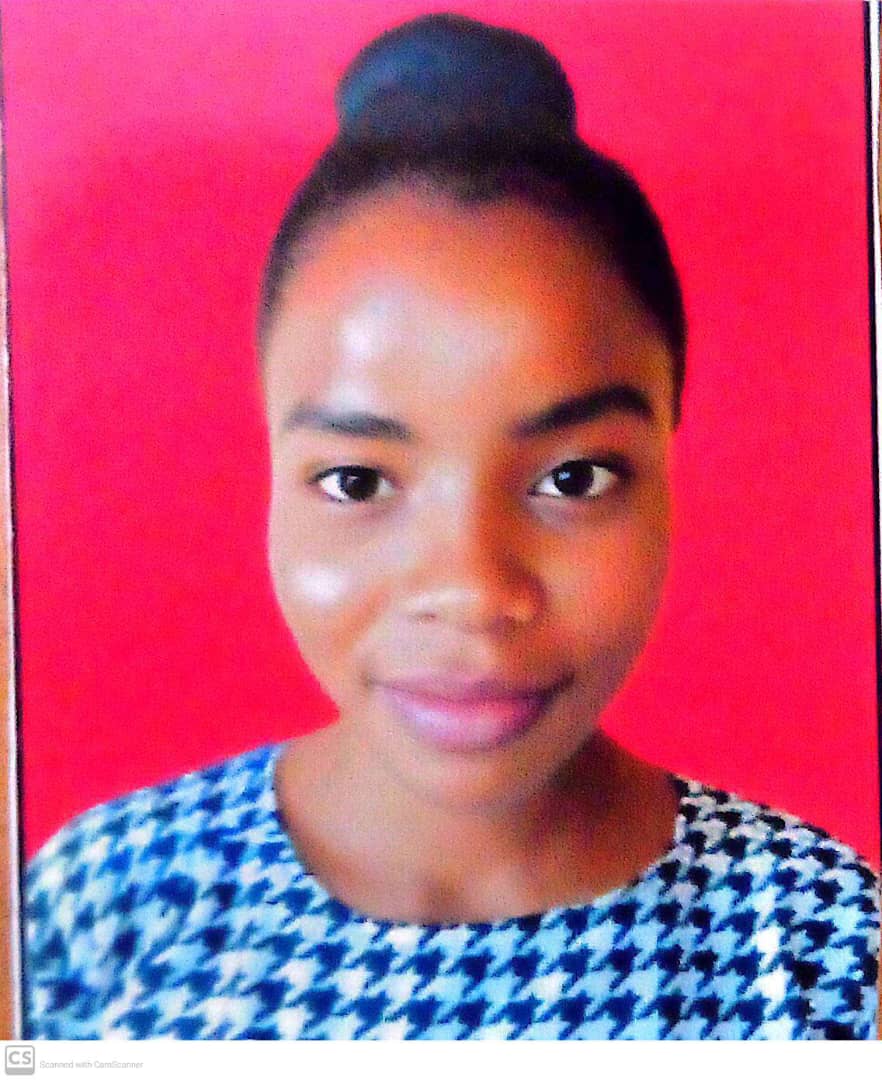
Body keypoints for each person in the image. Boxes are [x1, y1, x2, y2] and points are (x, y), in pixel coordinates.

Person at [24, 13, 879, 1040]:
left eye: (573, 476)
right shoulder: (103, 908)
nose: (472, 589)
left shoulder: (822, 946)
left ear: (668, 463)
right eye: (356, 480)